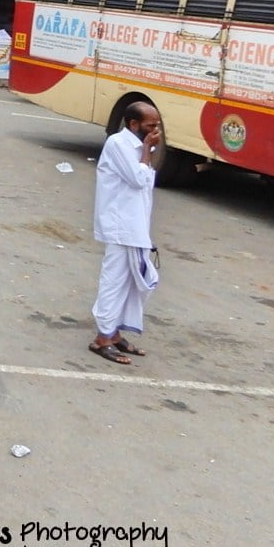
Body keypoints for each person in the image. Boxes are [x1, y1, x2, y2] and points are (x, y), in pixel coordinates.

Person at [89, 100, 162, 365]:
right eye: (150, 126)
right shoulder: (119, 144)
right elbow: (137, 179)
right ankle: (102, 339)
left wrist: (146, 152)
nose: (156, 131)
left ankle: (114, 332)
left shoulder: (138, 147)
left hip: (136, 227)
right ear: (133, 125)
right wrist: (146, 152)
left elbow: (145, 185)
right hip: (120, 227)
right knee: (115, 281)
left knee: (132, 282)